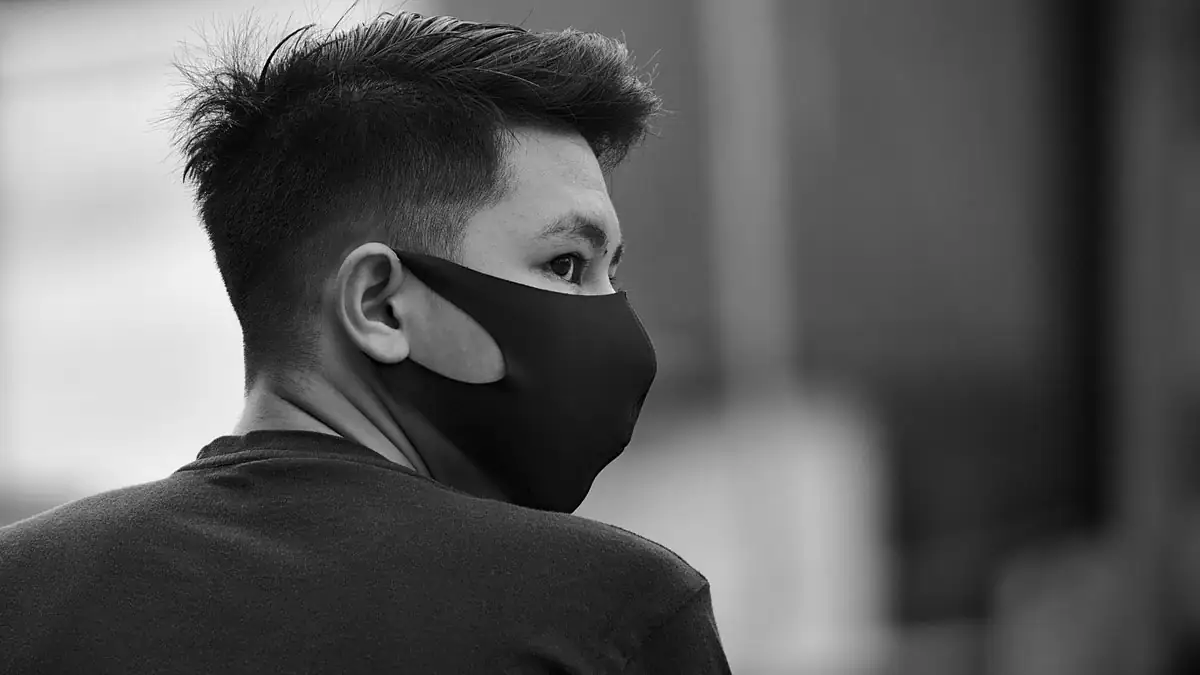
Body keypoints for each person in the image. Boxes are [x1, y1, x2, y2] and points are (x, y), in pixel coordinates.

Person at [0, 11, 731, 674]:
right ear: (379, 305)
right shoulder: (606, 612)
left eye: (611, 272)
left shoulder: (22, 588)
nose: (616, 321)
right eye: (565, 264)